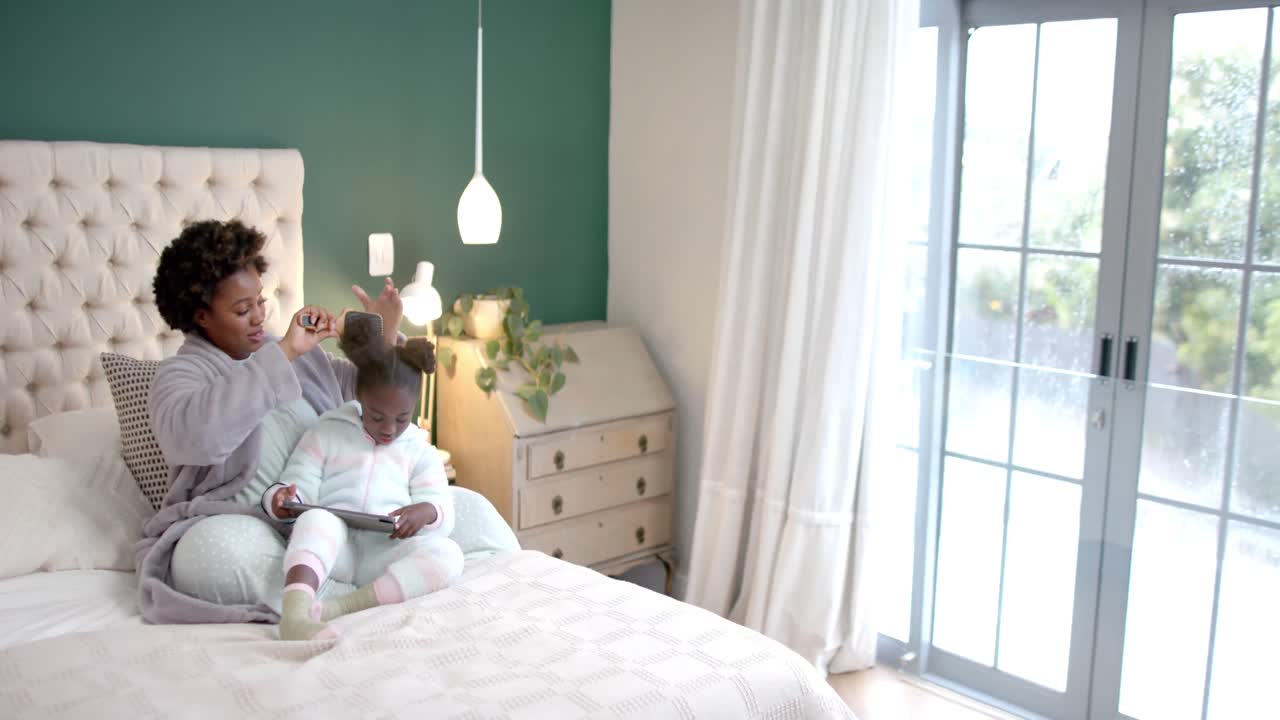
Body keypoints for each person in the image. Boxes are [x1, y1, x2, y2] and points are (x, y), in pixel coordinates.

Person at [136, 219, 406, 624]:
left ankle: (348, 585)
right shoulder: (179, 376)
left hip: (329, 520)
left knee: (460, 508)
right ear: (201, 317)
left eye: (260, 302)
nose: (259, 317)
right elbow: (198, 438)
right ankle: (355, 596)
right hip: (248, 531)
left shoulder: (299, 356)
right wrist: (282, 354)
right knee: (210, 553)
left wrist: (382, 340)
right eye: (243, 310)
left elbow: (372, 404)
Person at [272, 322, 463, 640]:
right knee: (317, 518)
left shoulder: (419, 450)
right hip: (337, 548)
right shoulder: (327, 431)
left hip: (385, 552)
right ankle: (294, 615)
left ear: (413, 407)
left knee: (449, 554)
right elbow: (297, 483)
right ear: (359, 397)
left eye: (401, 418)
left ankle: (340, 608)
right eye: (377, 417)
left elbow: (443, 508)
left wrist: (425, 512)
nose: (389, 428)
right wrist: (282, 499)